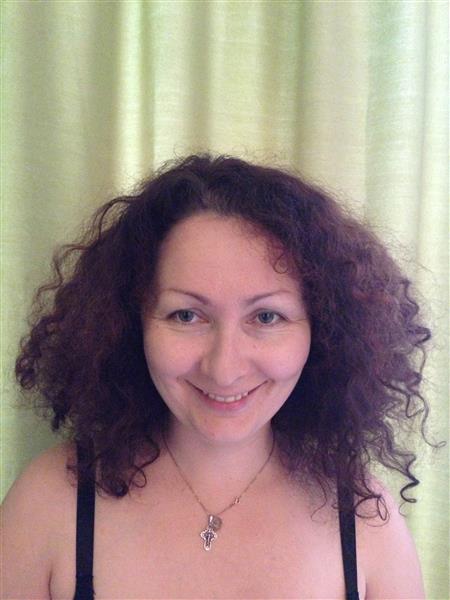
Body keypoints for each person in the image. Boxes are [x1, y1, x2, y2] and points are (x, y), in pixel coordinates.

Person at [1, 154, 433, 599]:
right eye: (186, 315)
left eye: (266, 316)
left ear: (323, 333)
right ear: (131, 324)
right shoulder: (50, 503)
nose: (224, 369)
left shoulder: (366, 523)